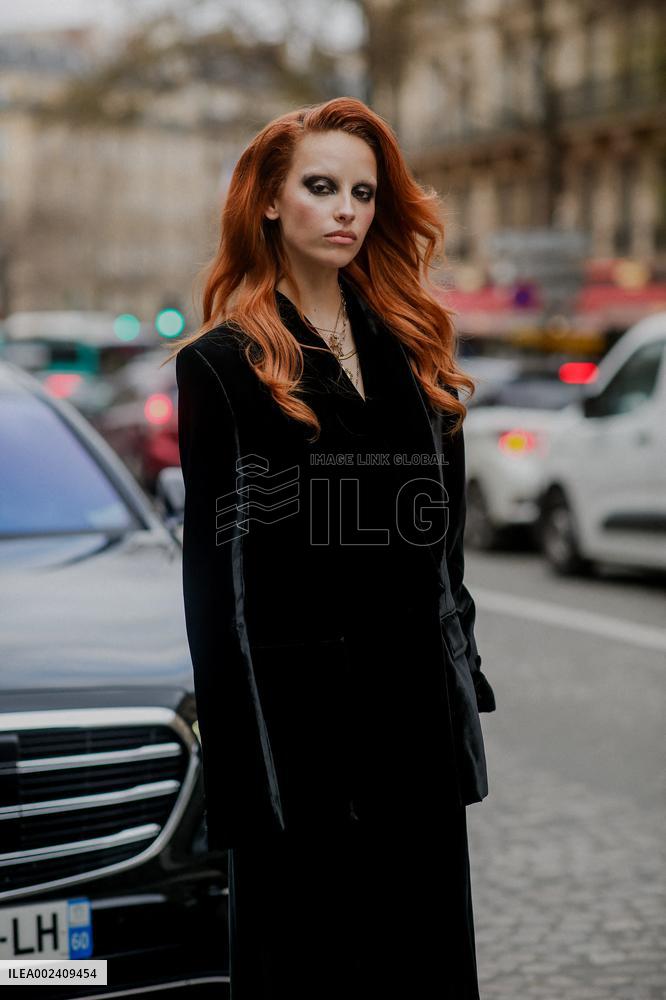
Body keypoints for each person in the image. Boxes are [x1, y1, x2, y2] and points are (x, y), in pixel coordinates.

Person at [168, 96, 496, 1000]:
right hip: (299, 751)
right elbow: (219, 589)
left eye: (362, 191)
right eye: (321, 187)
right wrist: (250, 774)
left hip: (418, 737)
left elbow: (445, 554)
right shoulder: (224, 365)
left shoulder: (419, 347)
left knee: (424, 973)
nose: (347, 209)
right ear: (271, 202)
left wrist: (462, 685)